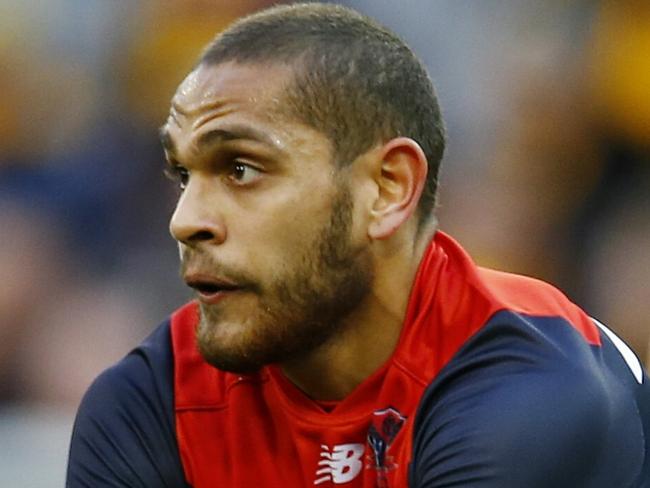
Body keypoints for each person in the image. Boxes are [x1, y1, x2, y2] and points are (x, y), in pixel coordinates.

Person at [67, 3, 650, 487]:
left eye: (242, 169)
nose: (186, 219)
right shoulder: (151, 402)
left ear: (387, 188)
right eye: (182, 174)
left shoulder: (536, 387)